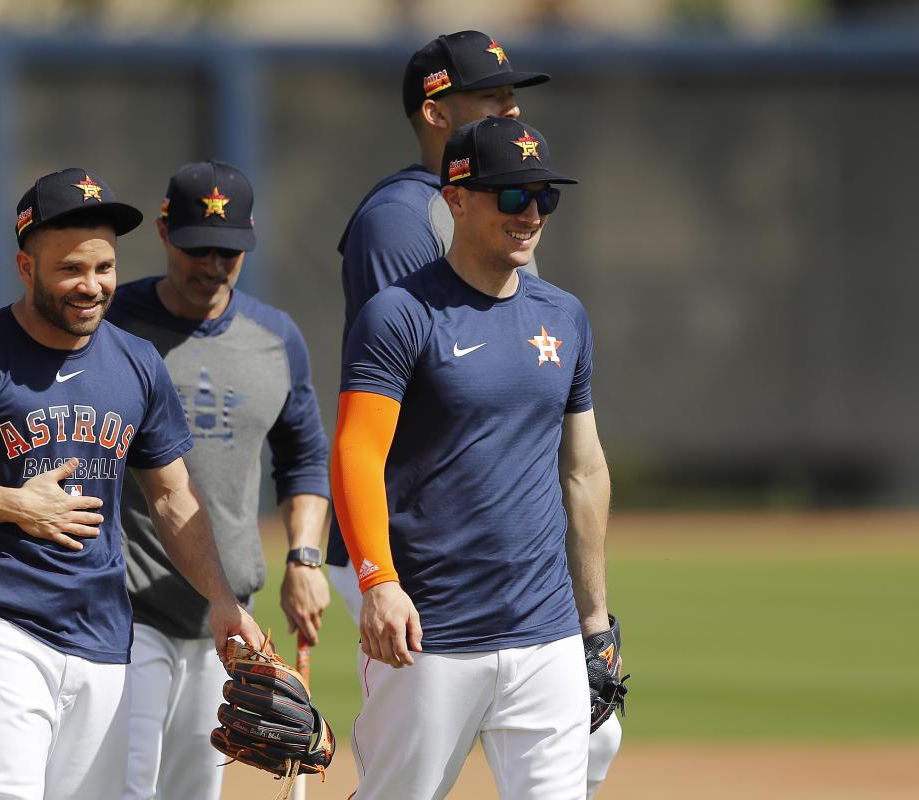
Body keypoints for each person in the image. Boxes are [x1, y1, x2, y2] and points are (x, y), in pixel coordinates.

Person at [0, 167, 264, 800]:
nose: (92, 286)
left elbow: (171, 494)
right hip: (1, 623)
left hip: (106, 632)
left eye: (104, 267)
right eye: (71, 270)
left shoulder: (136, 363)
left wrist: (221, 598)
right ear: (27, 269)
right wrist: (13, 503)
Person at [327, 31, 623, 796]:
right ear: (454, 199)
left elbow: (584, 468)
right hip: (432, 630)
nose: (531, 214)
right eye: (513, 196)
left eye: (544, 196)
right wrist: (377, 581)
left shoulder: (566, 314)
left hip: (545, 632)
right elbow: (357, 452)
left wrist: (595, 623)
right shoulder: (401, 313)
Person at [105, 159, 332, 800]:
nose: (210, 265)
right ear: (162, 232)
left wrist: (306, 558)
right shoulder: (112, 325)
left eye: (227, 251)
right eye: (196, 248)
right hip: (128, 611)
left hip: (230, 623)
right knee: (121, 789)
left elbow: (305, 461)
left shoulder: (276, 338)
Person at [328, 29, 548, 609]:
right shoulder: (401, 218)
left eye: (512, 94)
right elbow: (418, 388)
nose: (512, 108)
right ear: (435, 112)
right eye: (491, 97)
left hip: (484, 536)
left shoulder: (501, 209)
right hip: (418, 540)